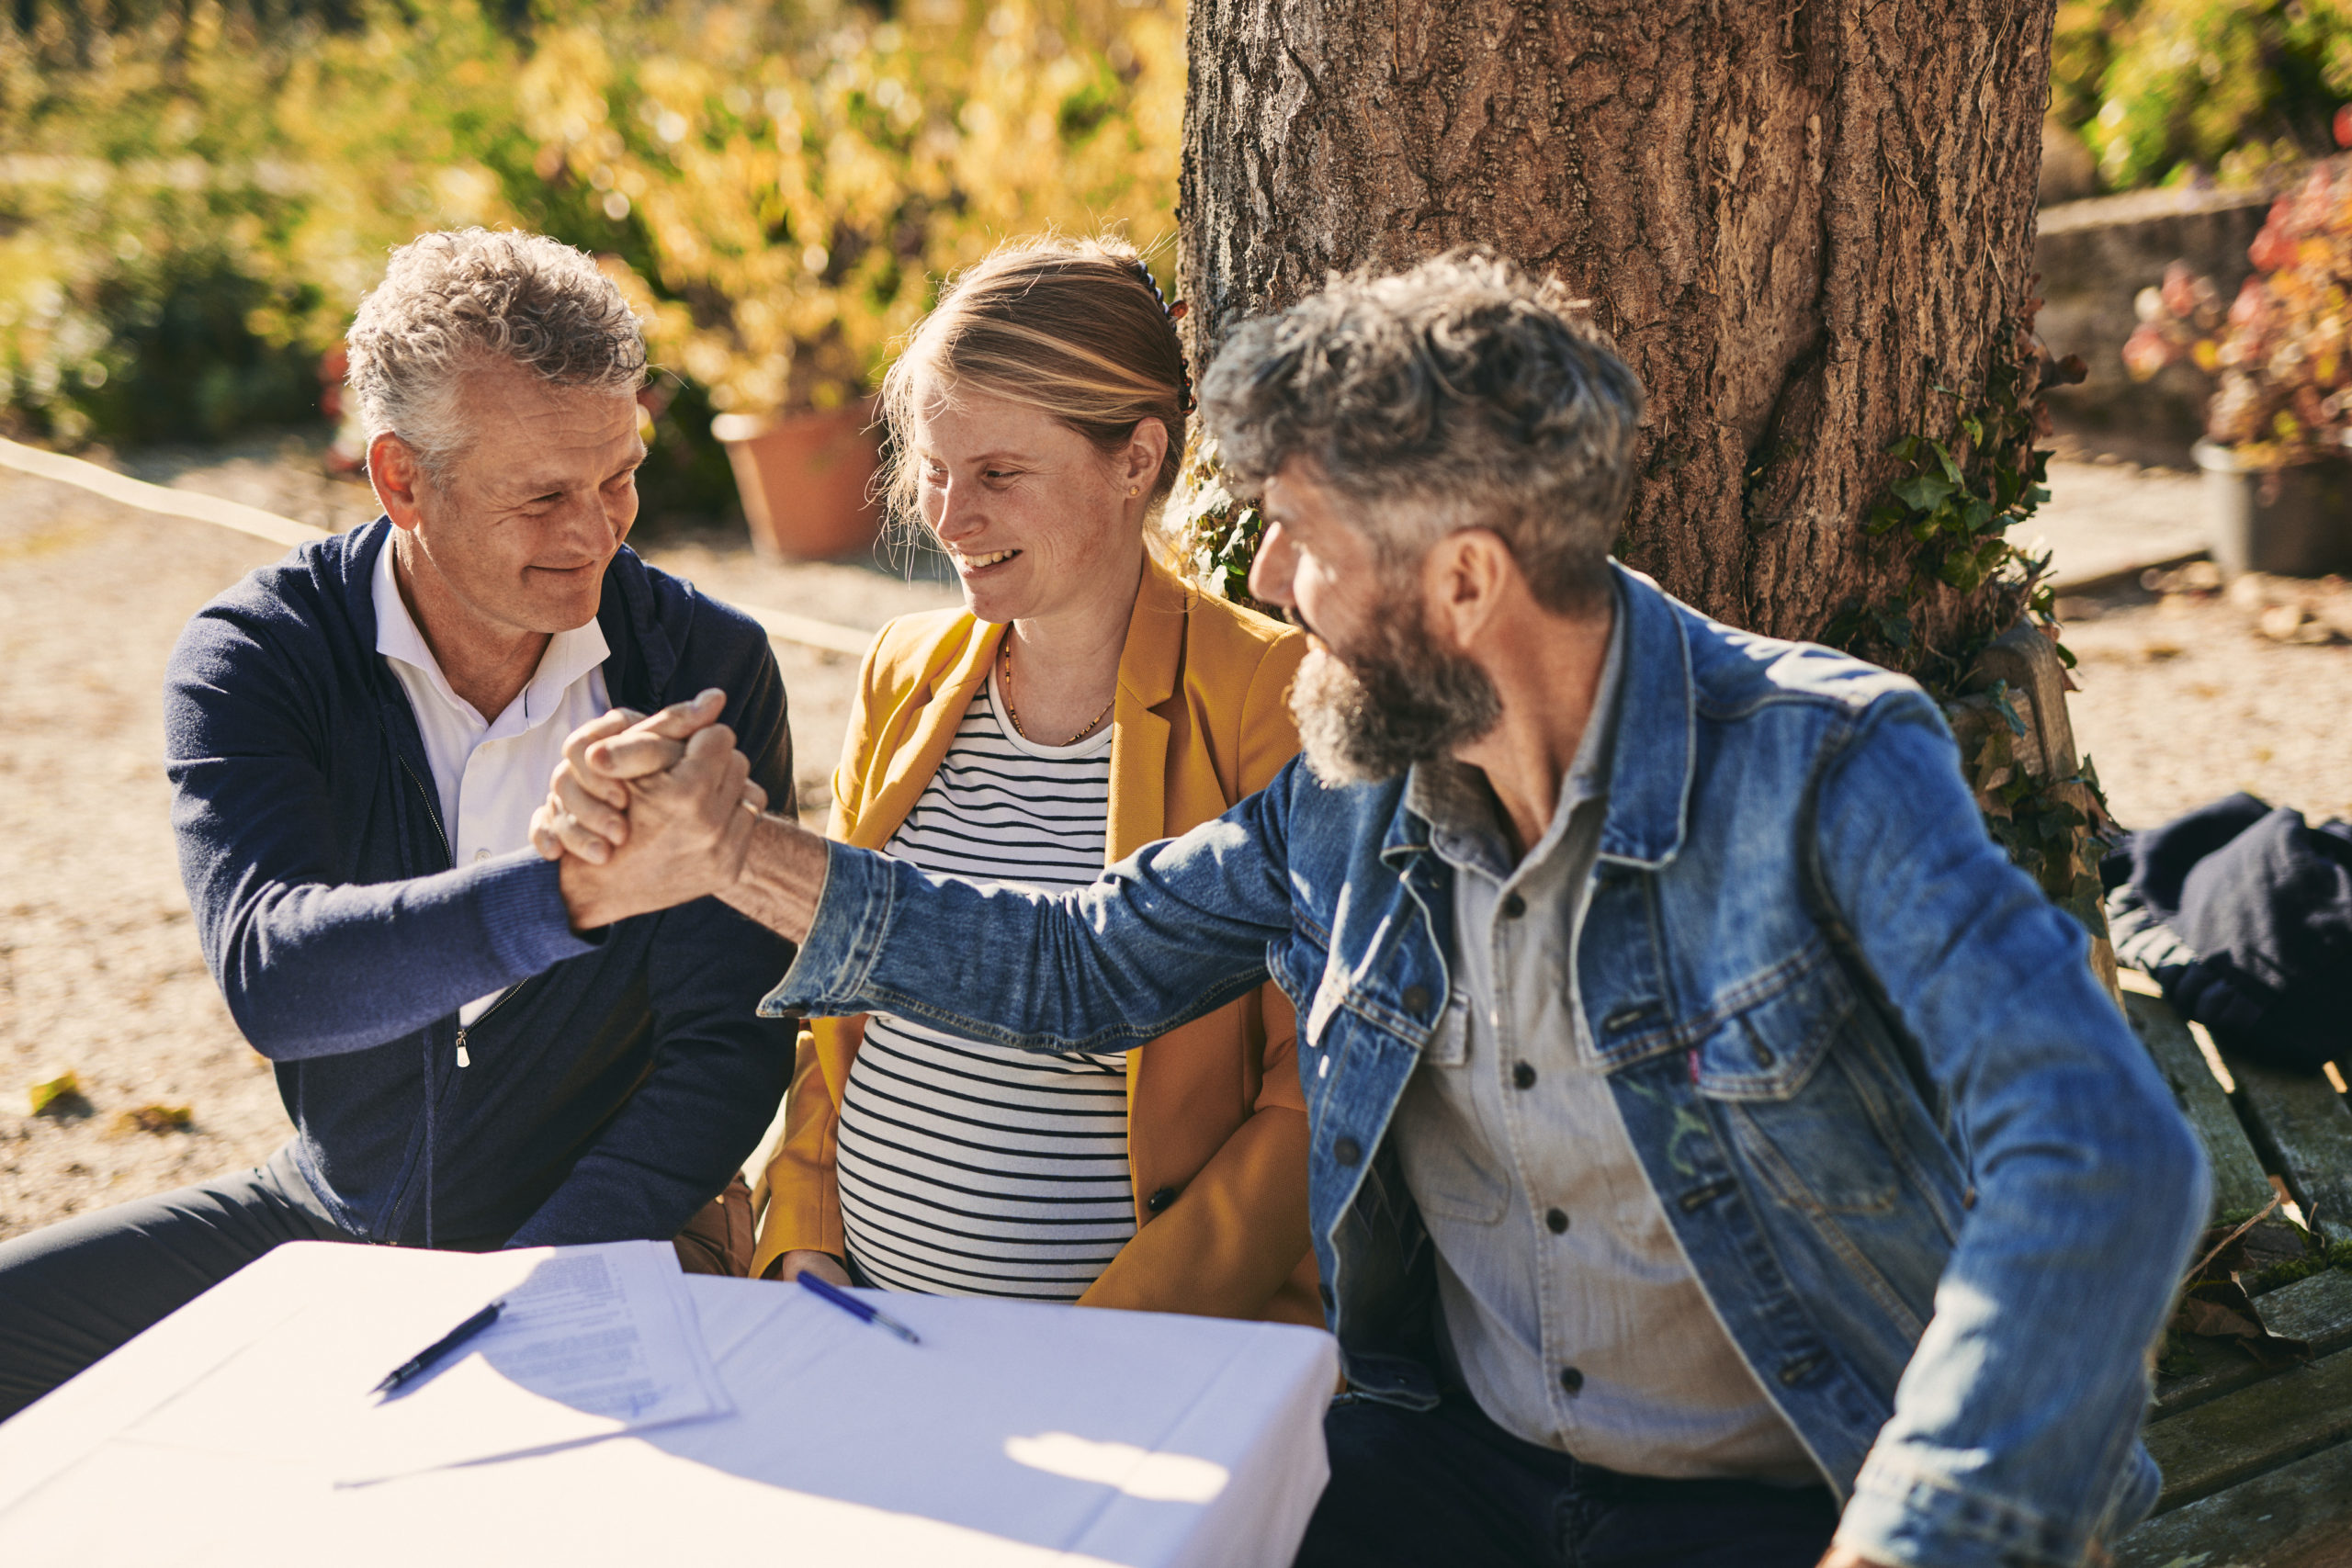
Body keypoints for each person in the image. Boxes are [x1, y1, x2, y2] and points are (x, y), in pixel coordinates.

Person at [536, 253, 2211, 1568]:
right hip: (1445, 1474)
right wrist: (729, 849)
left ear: (1466, 580)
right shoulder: (1355, 794)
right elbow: (1077, 963)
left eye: (1304, 540)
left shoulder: (1829, 770)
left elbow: (2099, 1151)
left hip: (1785, 1501)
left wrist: (1927, 1539)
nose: (1267, 586)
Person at [0, 228, 793, 1420]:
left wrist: (519, 1293)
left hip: (616, 1230)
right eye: (543, 495)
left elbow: (724, 1050)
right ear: (401, 477)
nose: (596, 532)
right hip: (328, 1210)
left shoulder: (711, 667)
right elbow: (280, 973)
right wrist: (569, 891)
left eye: (618, 475)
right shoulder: (259, 655)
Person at [561, 240, 1318, 1321]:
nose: (948, 518)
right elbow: (840, 1002)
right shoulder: (907, 668)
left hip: (1143, 1356)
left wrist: (1121, 1336)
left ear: (1136, 460)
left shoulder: (1262, 690)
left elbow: (1307, 1097)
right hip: (868, 1324)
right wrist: (806, 1235)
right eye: (933, 468)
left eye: (1001, 474)